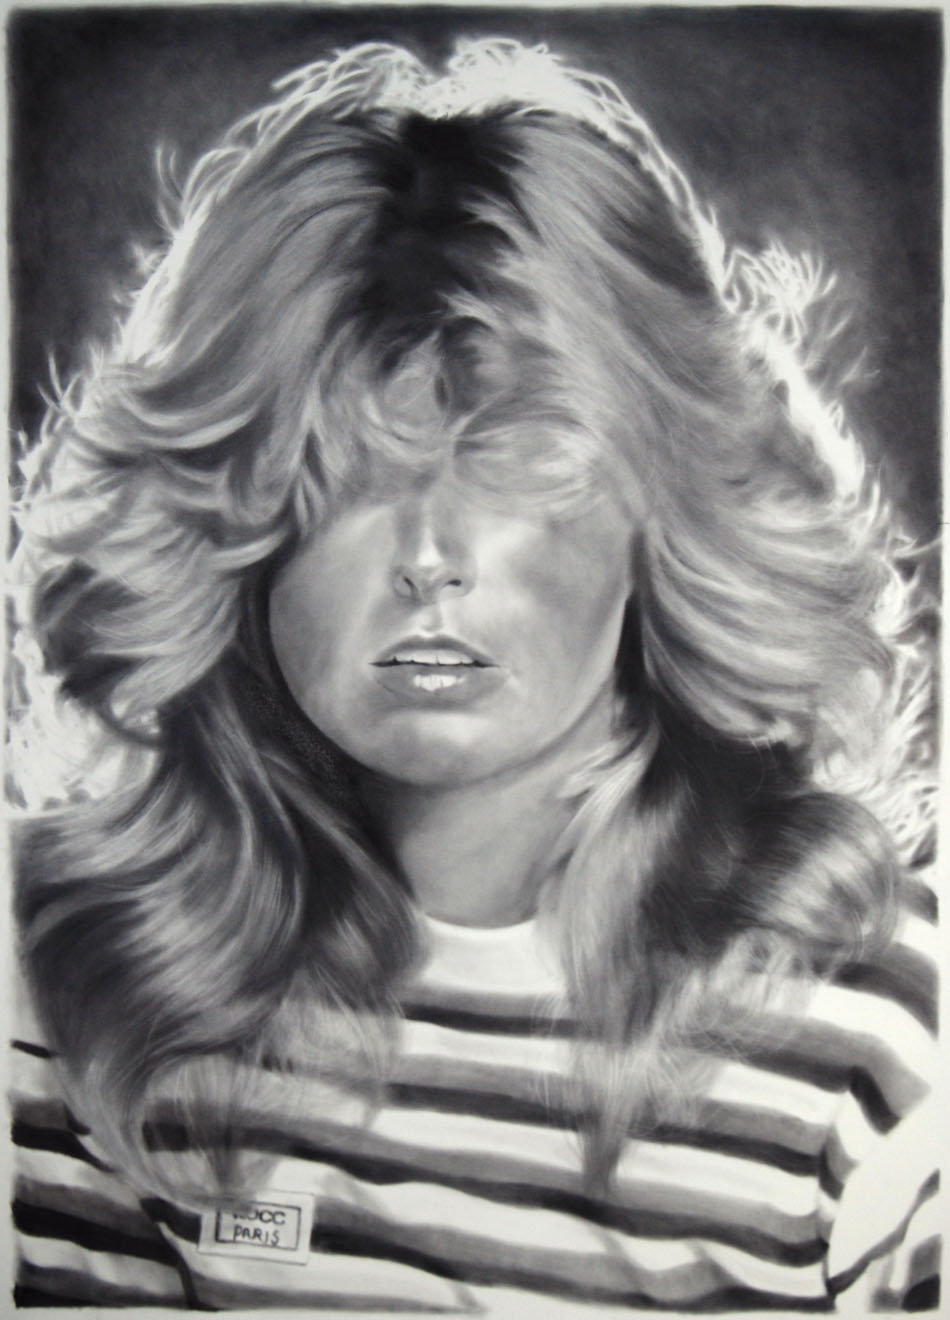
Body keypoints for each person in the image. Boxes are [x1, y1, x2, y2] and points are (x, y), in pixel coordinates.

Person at [10, 39, 938, 1313]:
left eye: (509, 462)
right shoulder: (80, 965)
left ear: (661, 514)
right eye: (341, 475)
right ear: (231, 526)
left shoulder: (879, 1018)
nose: (428, 560)